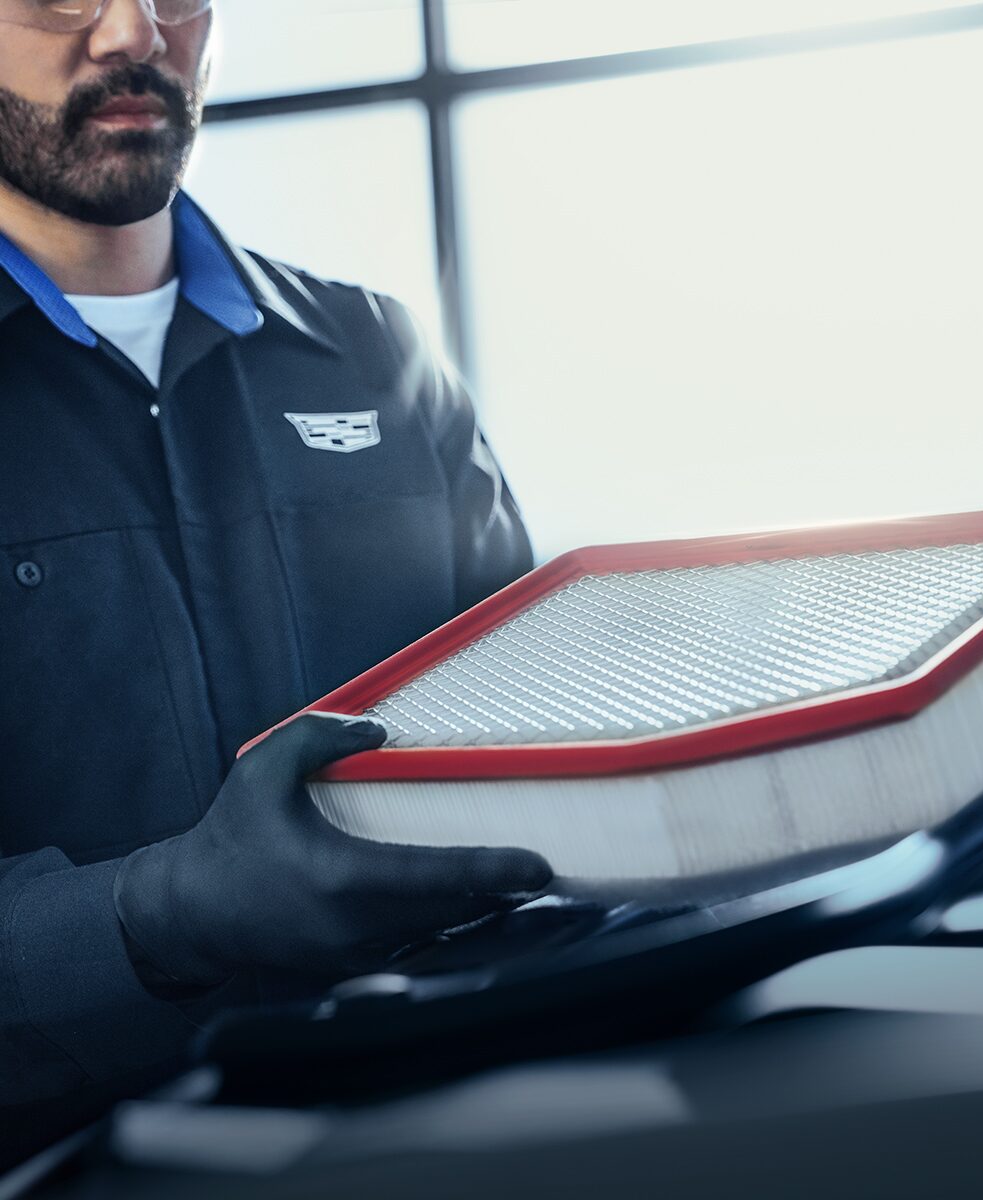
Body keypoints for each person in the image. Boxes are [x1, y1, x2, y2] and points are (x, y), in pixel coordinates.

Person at [0, 0, 552, 1159]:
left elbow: (541, 728)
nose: (133, 36)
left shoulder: (381, 354)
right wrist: (152, 913)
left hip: (464, 1120)